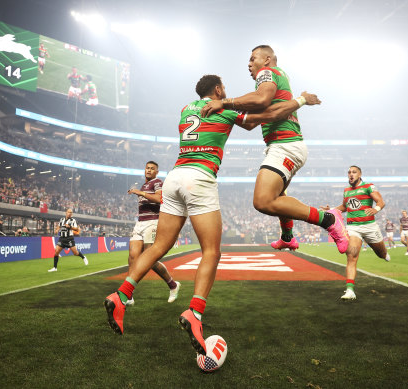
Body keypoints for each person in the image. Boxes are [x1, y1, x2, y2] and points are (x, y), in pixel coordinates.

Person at [104, 74, 321, 358]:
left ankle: (120, 295)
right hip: (200, 178)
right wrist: (299, 101)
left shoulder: (185, 109)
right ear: (218, 89)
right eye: (224, 89)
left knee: (159, 246)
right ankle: (195, 312)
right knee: (211, 251)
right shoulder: (226, 108)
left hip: (174, 177)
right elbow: (259, 118)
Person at [200, 44, 348, 254]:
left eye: (253, 59)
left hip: (285, 145)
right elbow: (252, 122)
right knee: (278, 195)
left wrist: (224, 103)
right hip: (283, 145)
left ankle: (329, 219)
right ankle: (287, 236)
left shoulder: (266, 73)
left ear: (267, 59)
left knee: (262, 201)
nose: (249, 64)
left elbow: (261, 100)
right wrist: (227, 112)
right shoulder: (278, 77)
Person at [330, 166, 390, 300]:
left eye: (354, 172)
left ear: (360, 174)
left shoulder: (369, 186)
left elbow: (381, 201)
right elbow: (345, 207)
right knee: (351, 256)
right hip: (353, 227)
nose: (351, 175)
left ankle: (385, 253)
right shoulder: (346, 191)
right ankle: (350, 290)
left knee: (381, 254)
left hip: (370, 226)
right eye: (349, 172)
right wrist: (332, 210)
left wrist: (376, 209)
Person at [126, 161, 181, 305]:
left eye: (152, 169)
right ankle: (128, 294)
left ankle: (173, 285)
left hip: (152, 222)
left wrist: (140, 192)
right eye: (147, 168)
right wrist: (141, 191)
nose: (149, 170)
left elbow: (159, 199)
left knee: (149, 258)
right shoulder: (145, 184)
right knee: (132, 257)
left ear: (156, 172)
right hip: (140, 223)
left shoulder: (157, 182)